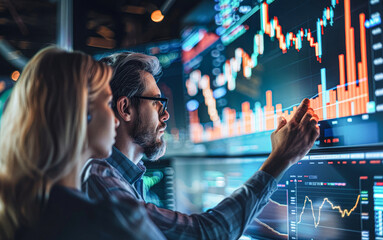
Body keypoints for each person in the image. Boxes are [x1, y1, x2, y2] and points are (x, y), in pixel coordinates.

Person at [81, 52, 319, 239]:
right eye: (156, 103)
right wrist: (281, 157)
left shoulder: (119, 178)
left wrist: (241, 217)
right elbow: (205, 234)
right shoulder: (101, 182)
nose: (165, 116)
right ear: (125, 109)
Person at [0, 47, 166, 240]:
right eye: (107, 102)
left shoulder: (21, 212)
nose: (115, 119)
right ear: (80, 115)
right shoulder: (110, 221)